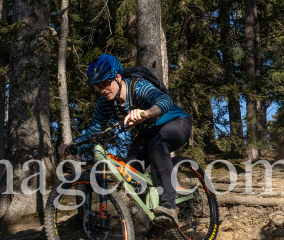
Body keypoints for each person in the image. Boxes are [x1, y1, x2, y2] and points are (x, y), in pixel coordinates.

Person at [57, 54, 192, 226]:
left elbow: (165, 101)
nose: (102, 89)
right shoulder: (104, 104)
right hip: (148, 133)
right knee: (129, 174)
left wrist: (146, 113)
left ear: (118, 78)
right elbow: (94, 132)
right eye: (98, 87)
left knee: (157, 146)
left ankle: (169, 207)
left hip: (176, 123)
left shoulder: (138, 87)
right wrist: (72, 146)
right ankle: (154, 220)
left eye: (105, 83)